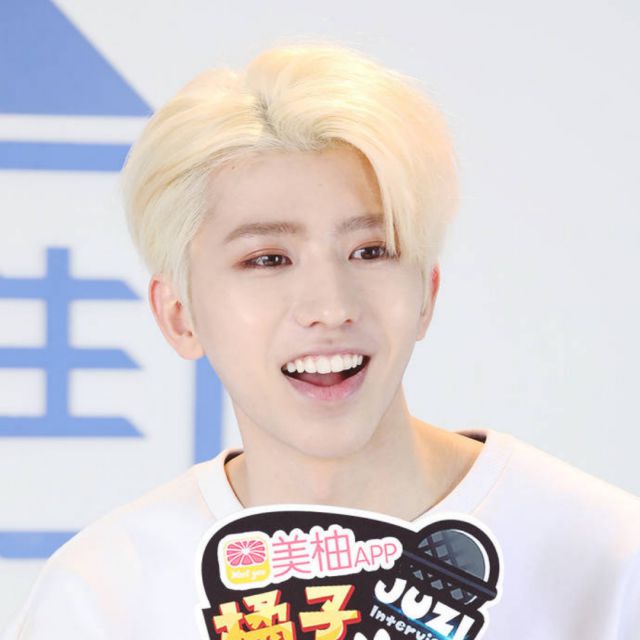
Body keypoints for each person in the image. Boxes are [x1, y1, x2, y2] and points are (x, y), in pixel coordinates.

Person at [3, 40, 639, 640]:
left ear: (426, 293)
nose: (331, 307)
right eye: (267, 259)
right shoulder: (104, 594)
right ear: (179, 315)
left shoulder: (607, 556)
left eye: (371, 250)